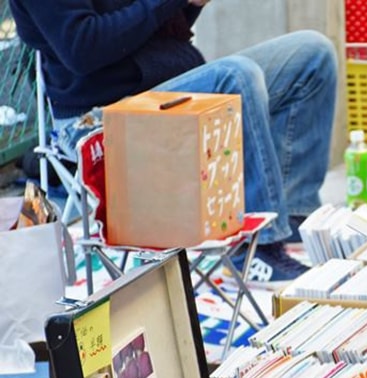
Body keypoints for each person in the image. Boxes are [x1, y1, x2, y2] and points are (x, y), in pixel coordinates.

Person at [9, 0, 338, 285]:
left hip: (165, 88)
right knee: (237, 76)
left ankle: (291, 214)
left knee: (312, 53)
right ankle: (255, 247)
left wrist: (187, 8)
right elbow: (82, 48)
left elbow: (150, 29)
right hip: (99, 118)